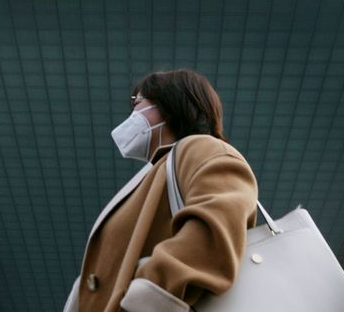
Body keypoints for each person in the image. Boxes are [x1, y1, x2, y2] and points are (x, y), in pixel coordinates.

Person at [65, 70, 258, 312]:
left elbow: (214, 231)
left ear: (171, 102)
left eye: (139, 101)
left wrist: (145, 298)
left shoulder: (202, 149)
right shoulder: (155, 174)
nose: (133, 111)